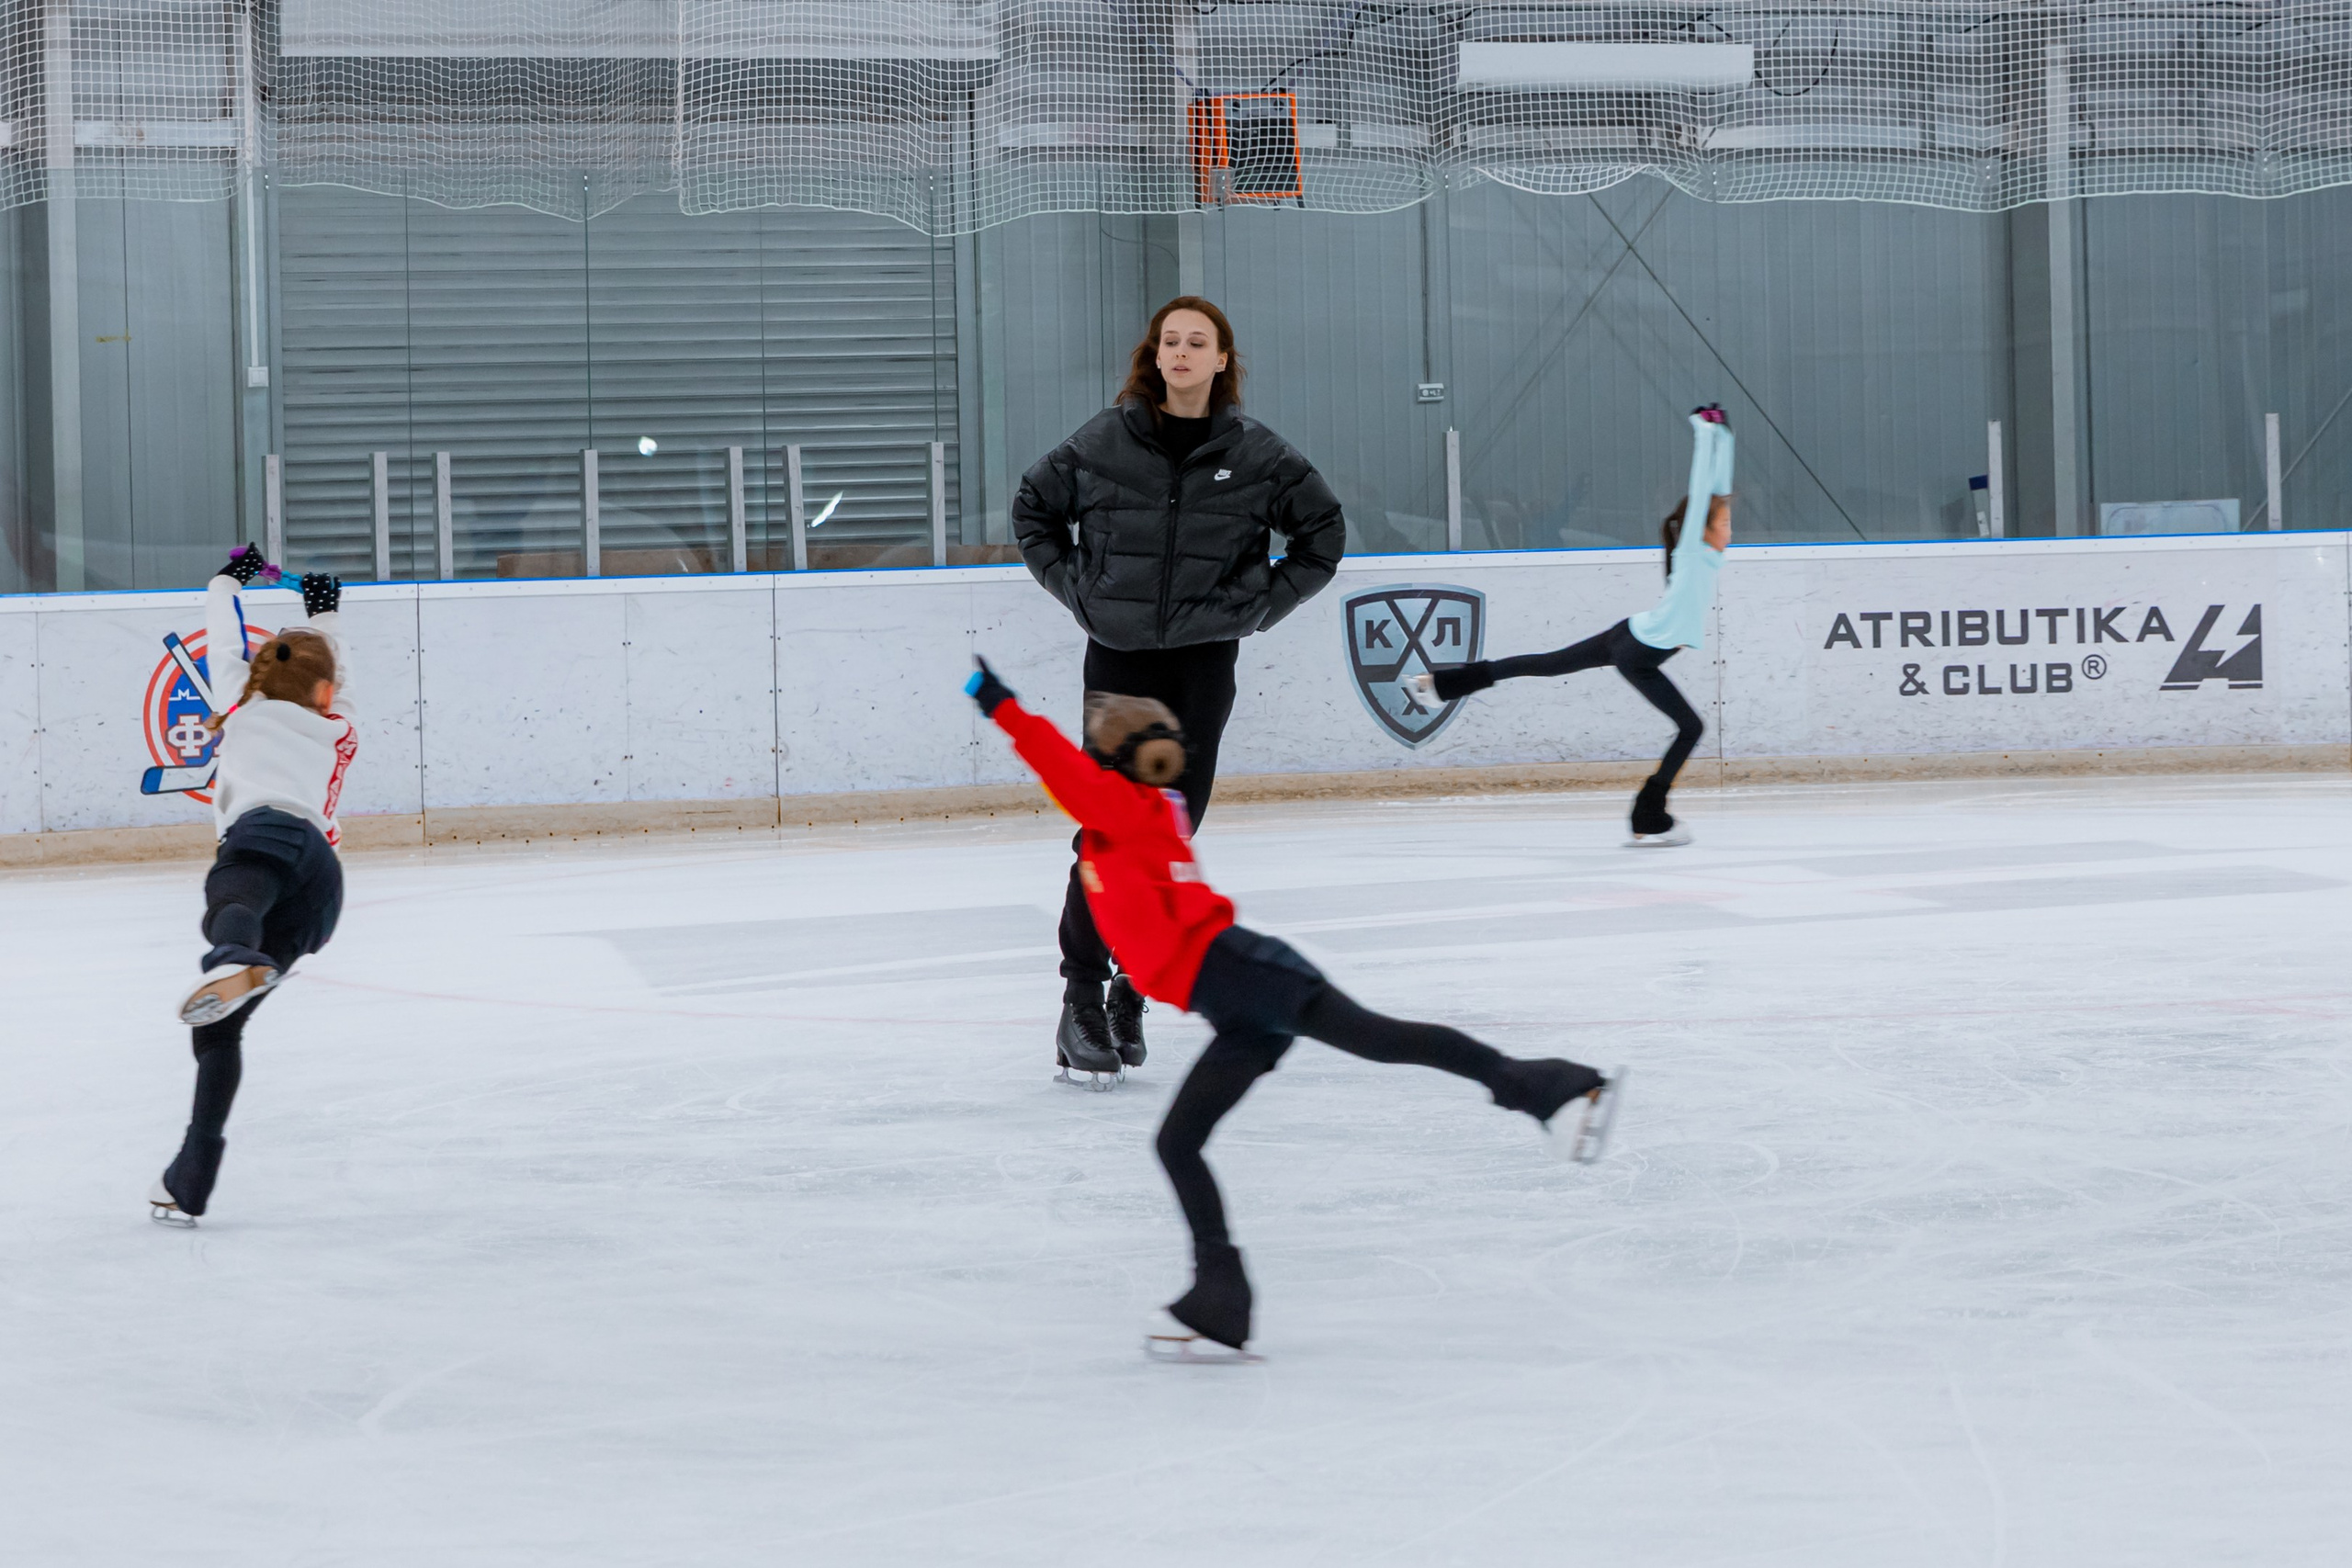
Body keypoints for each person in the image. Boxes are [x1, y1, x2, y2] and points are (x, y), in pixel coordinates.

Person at [965, 655, 1622, 1360]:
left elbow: (1058, 763)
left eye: (1101, 756)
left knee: (1380, 1041)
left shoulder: (1125, 812)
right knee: (1186, 1137)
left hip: (1247, 977)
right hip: (1235, 1003)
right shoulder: (1141, 816)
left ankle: (1550, 1085)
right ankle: (1219, 1296)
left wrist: (1000, 703)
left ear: (1117, 765)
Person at [1012, 297, 1346, 1080]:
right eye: (1172, 341)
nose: (1185, 353)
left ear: (1223, 358)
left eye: (1200, 342)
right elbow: (1034, 508)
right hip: (1122, 659)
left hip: (1202, 664)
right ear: (1154, 355)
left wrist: (1258, 606)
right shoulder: (1104, 440)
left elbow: (1321, 535)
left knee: (1169, 831)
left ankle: (1135, 984)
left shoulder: (1258, 454)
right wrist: (1079, 592)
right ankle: (1081, 1000)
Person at [1416, 406, 1736, 847]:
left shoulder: (1708, 555)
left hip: (1629, 634)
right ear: (1705, 531)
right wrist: (1704, 432)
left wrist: (1726, 436)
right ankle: (1649, 815)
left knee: (1546, 664)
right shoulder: (1694, 556)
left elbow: (1719, 490)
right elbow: (1703, 493)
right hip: (1638, 655)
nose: (1730, 530)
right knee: (1691, 728)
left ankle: (1441, 685)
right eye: (1724, 524)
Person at [150, 547, 355, 1226]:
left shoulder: (239, 704)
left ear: (258, 676)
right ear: (327, 690)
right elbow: (330, 668)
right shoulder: (335, 721)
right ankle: (189, 1178)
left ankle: (236, 958)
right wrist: (322, 612)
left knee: (231, 905)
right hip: (321, 882)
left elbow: (225, 629)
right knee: (219, 1031)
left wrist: (227, 579)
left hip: (263, 835)